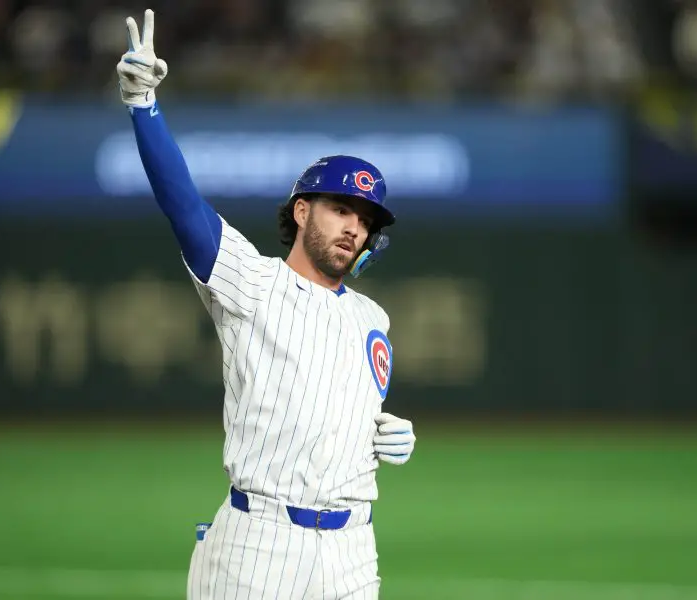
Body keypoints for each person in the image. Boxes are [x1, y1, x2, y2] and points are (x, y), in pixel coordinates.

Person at [117, 10, 416, 599]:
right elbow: (183, 207)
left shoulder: (372, 319)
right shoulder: (250, 283)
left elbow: (340, 409)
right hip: (259, 543)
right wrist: (143, 107)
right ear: (302, 210)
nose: (353, 226)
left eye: (364, 219)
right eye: (339, 209)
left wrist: (384, 433)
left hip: (354, 548)